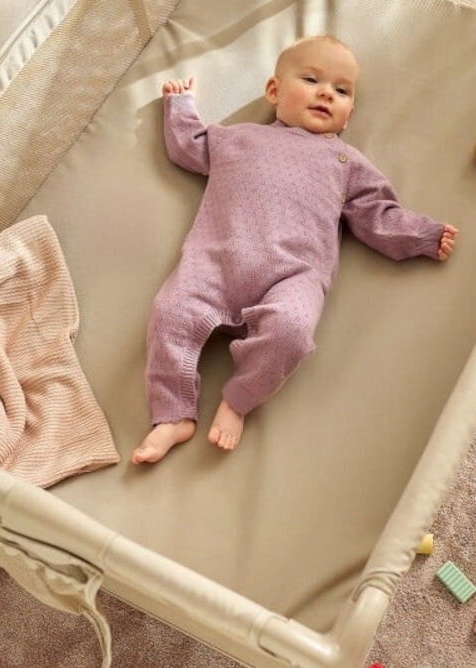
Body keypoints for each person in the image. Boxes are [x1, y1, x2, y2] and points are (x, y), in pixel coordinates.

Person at [133, 35, 458, 465]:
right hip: (213, 263)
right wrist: (180, 106)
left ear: (349, 114)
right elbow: (189, 145)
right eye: (311, 80)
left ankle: (239, 399)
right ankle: (173, 414)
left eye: (342, 91)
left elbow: (378, 214)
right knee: (170, 314)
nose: (327, 93)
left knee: (292, 331)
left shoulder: (344, 162)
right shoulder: (236, 138)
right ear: (274, 91)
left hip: (292, 275)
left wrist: (422, 235)